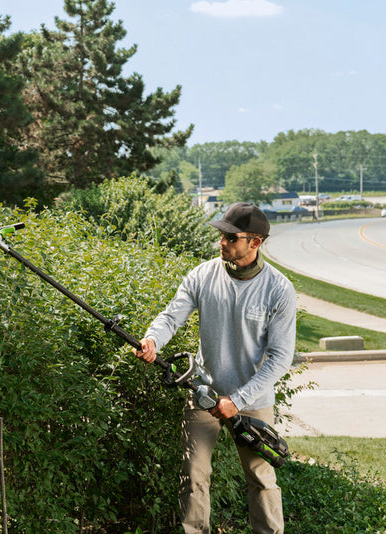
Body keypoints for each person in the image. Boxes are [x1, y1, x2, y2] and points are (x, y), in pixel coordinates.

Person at [135, 202, 296, 534]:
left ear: (255, 242)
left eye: (231, 237)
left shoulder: (278, 289)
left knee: (261, 478)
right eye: (221, 235)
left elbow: (280, 357)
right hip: (203, 392)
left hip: (253, 401)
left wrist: (238, 400)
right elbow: (171, 316)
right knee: (193, 473)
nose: (222, 243)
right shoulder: (203, 275)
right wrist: (153, 341)